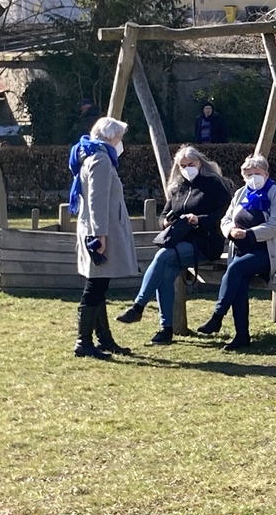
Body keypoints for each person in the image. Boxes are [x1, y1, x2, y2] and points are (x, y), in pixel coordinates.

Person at [116, 146, 232, 344]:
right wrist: (165, 222)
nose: (187, 169)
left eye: (190, 164)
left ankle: (138, 306)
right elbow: (164, 213)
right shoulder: (178, 187)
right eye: (182, 166)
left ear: (200, 163)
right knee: (165, 275)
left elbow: (224, 214)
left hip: (206, 243)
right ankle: (166, 329)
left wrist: (199, 220)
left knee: (163, 256)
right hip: (180, 240)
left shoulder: (214, 184)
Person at [197, 155, 276, 351]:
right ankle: (241, 335)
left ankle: (217, 317)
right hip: (241, 248)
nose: (253, 177)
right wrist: (231, 230)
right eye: (248, 174)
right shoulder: (240, 193)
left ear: (266, 174)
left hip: (267, 250)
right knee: (238, 282)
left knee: (235, 269)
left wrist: (249, 234)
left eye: (257, 173)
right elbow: (225, 219)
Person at [68, 117, 138, 358]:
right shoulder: (100, 159)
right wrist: (100, 236)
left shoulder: (90, 155)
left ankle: (104, 339)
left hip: (96, 228)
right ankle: (84, 341)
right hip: (100, 230)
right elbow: (97, 200)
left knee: (99, 283)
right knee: (96, 285)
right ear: (110, 137)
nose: (120, 142)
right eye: (119, 137)